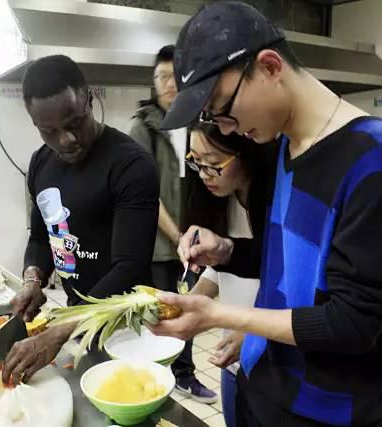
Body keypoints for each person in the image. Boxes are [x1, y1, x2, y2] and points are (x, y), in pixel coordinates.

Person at [151, 2, 382, 426]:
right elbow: (289, 267)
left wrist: (217, 315)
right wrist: (227, 251)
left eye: (222, 108)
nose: (224, 129)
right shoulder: (284, 147)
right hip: (259, 383)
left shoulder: (375, 157)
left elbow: (354, 323)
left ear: (269, 66)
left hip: (321, 413)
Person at [2, 55, 159, 386]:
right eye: (49, 131)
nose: (66, 140)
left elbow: (129, 267)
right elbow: (41, 238)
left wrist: (60, 329)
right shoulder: (41, 164)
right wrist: (33, 279)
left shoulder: (131, 165)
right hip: (77, 317)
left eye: (74, 123)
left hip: (127, 324)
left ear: (88, 99)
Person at [129, 45, 216, 403]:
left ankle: (181, 375)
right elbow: (147, 196)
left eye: (173, 76)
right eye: (159, 77)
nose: (166, 84)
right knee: (162, 314)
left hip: (193, 243)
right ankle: (160, 378)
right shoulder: (144, 128)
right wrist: (178, 236)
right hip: (161, 246)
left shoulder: (200, 122)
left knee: (187, 309)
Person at [184, 122, 278, 425]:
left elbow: (287, 281)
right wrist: (188, 301)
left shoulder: (278, 202)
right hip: (232, 355)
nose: (204, 174)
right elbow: (222, 268)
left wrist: (253, 332)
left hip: (271, 354)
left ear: (247, 150)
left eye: (213, 163)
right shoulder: (219, 200)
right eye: (196, 161)